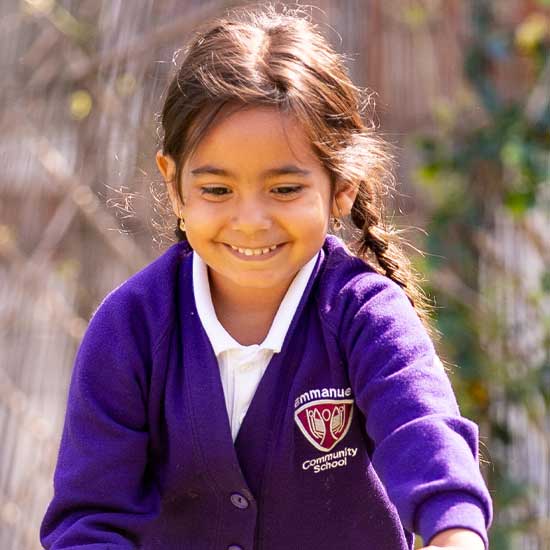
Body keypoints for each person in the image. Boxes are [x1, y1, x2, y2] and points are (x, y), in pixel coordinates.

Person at [40, 4, 493, 549]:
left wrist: (456, 530)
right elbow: (89, 520)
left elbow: (422, 432)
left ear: (341, 187)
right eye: (216, 190)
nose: (250, 221)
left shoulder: (364, 315)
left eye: (283, 189)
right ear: (174, 185)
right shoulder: (130, 329)